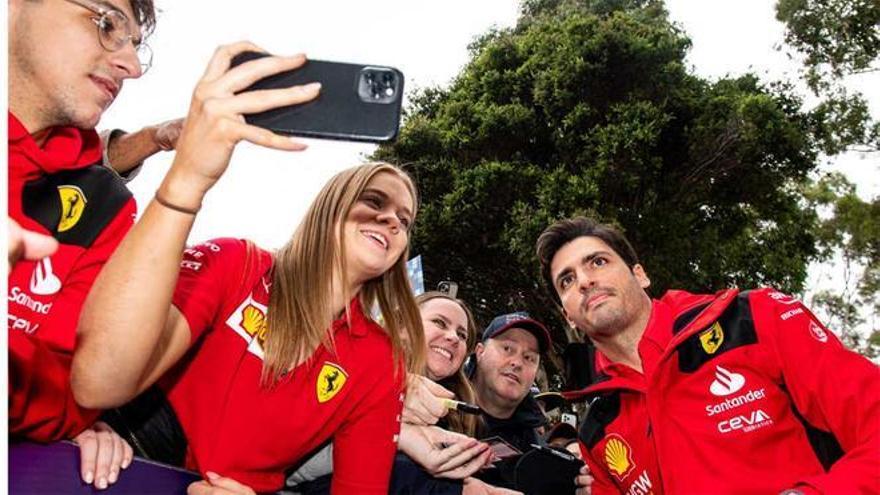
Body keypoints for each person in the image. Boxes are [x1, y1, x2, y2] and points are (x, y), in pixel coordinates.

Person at [70, 41, 426, 493]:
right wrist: (87, 425)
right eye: (375, 202)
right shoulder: (237, 263)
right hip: (124, 466)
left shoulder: (381, 363)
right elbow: (104, 373)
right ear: (329, 211)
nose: (392, 220)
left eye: (405, 220)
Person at [536, 216, 880, 494]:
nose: (584, 281)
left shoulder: (754, 319)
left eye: (597, 262)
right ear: (567, 315)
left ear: (639, 274)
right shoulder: (598, 428)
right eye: (566, 281)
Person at [8, 0, 157, 488]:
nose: (131, 66)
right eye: (107, 23)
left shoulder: (106, 204)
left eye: (136, 45)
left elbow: (70, 400)